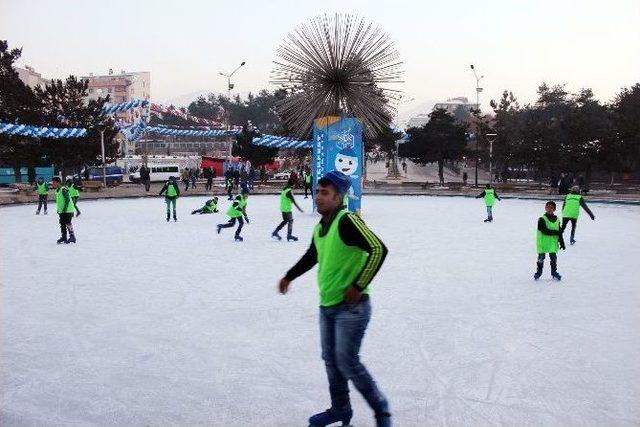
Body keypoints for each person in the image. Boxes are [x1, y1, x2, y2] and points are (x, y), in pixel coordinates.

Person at [278, 171, 391, 427]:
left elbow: (378, 249)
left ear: (338, 197)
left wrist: (359, 285)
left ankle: (381, 410)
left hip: (351, 308)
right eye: (317, 191)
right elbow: (312, 255)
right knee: (331, 361)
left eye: (325, 193)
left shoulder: (346, 220)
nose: (318, 197)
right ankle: (341, 409)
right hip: (327, 305)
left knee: (346, 360)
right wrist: (289, 276)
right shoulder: (321, 227)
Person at [535, 201, 566, 280]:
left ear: (554, 209)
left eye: (551, 208)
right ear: (545, 208)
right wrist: (556, 232)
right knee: (541, 258)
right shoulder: (541, 219)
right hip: (543, 242)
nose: (549, 209)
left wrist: (562, 242)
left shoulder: (557, 220)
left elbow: (559, 232)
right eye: (548, 207)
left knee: (553, 258)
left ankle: (554, 272)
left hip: (552, 243)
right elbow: (544, 231)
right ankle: (539, 272)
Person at [52, 177, 76, 244]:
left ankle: (72, 236)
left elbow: (67, 199)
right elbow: (60, 201)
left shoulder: (63, 189)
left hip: (68, 210)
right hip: (62, 211)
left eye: (54, 182)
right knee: (62, 223)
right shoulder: (57, 190)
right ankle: (64, 236)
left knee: (68, 223)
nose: (52, 184)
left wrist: (65, 208)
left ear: (58, 182)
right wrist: (58, 209)